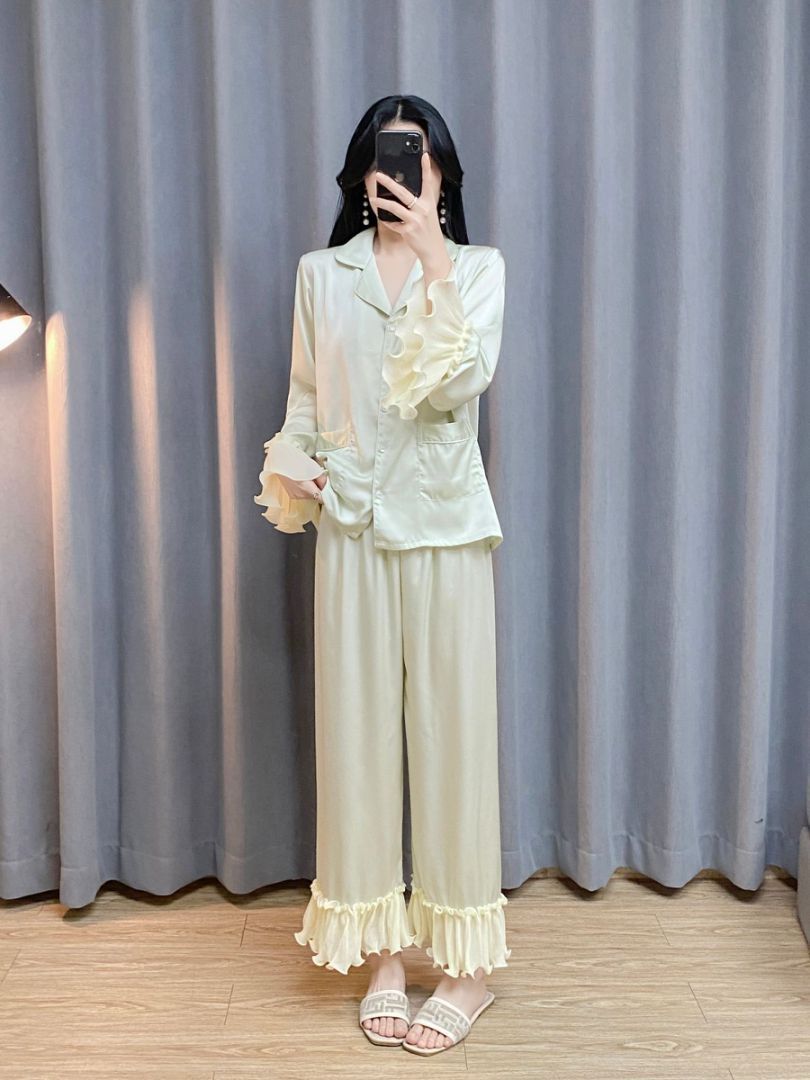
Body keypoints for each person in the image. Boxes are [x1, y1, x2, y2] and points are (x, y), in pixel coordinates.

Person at [254, 94, 510, 1056]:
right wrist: (293, 465)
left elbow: (459, 384)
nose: (403, 175)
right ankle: (384, 960)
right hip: (353, 530)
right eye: (387, 159)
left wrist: (437, 262)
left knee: (454, 745)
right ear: (362, 175)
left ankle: (468, 971)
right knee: (356, 744)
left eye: (419, 159)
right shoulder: (322, 275)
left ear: (443, 174)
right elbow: (305, 401)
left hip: (445, 531)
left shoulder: (477, 270)